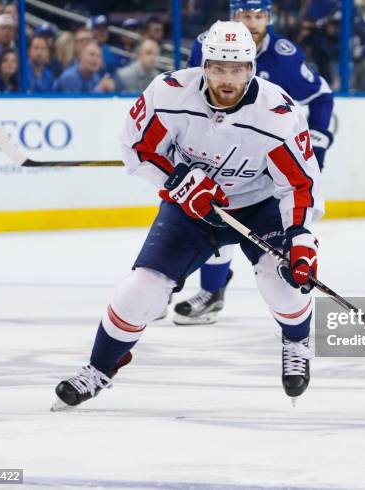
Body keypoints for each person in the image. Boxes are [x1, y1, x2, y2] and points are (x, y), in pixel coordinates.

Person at [52, 20, 322, 410]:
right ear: (204, 66)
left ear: (251, 69)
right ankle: (99, 369)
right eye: (218, 68)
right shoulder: (169, 93)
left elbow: (298, 184)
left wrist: (299, 237)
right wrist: (178, 180)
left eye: (236, 69)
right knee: (139, 291)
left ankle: (296, 340)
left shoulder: (276, 114)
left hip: (259, 208)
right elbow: (138, 149)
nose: (226, 79)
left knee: (281, 282)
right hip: (190, 208)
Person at [178, 0, 333, 326]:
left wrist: (317, 142)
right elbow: (191, 97)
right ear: (234, 16)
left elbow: (320, 95)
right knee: (214, 219)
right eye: (246, 15)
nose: (252, 22)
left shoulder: (284, 55)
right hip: (220, 153)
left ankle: (291, 319)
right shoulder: (208, 45)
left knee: (278, 237)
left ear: (269, 17)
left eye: (259, 16)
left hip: (268, 158)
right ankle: (210, 291)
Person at [53, 40, 117, 93]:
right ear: (80, 56)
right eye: (92, 55)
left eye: (99, 56)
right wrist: (99, 89)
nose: (95, 60)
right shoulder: (70, 77)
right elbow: (76, 106)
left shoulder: (95, 77)